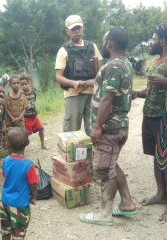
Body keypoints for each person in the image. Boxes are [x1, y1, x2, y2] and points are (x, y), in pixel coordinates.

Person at [79, 27, 138, 226]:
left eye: (104, 41)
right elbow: (104, 84)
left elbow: (107, 98)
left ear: (110, 43)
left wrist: (97, 127)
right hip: (118, 126)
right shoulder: (124, 64)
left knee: (104, 171)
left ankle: (105, 214)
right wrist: (85, 83)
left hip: (109, 128)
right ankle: (127, 203)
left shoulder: (114, 66)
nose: (103, 44)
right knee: (111, 164)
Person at [133, 24, 167, 210]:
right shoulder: (156, 62)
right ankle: (161, 193)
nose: (150, 42)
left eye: (153, 39)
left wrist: (165, 81)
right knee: (157, 155)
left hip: (164, 118)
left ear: (162, 41)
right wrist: (138, 93)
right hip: (150, 115)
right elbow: (152, 89)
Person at [55, 15, 103, 135]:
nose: (76, 31)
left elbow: (101, 70)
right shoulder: (63, 50)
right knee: (71, 131)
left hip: (92, 93)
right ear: (67, 31)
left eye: (79, 28)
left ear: (82, 29)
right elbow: (58, 77)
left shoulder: (92, 46)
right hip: (73, 94)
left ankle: (93, 153)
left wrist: (92, 81)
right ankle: (71, 154)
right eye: (73, 29)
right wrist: (73, 83)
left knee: (93, 129)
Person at [0, 127, 38, 240]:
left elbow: (5, 175)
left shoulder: (6, 160)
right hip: (20, 206)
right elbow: (33, 184)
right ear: (28, 143)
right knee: (18, 234)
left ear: (7, 144)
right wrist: (34, 197)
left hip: (5, 202)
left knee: (5, 231)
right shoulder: (29, 165)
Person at [20, 76, 47, 149]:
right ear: (20, 86)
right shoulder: (21, 95)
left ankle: (42, 145)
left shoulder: (33, 92)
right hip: (26, 118)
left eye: (25, 84)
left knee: (41, 129)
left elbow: (34, 101)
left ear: (29, 83)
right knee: (26, 134)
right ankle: (22, 148)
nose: (24, 86)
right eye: (22, 85)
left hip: (34, 116)